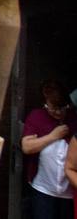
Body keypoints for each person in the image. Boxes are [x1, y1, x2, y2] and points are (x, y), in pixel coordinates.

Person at [21, 81, 76, 218]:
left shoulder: (73, 118)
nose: (57, 112)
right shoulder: (37, 117)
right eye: (52, 108)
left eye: (61, 108)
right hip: (43, 188)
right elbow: (27, 147)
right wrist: (53, 136)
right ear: (45, 103)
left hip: (69, 191)